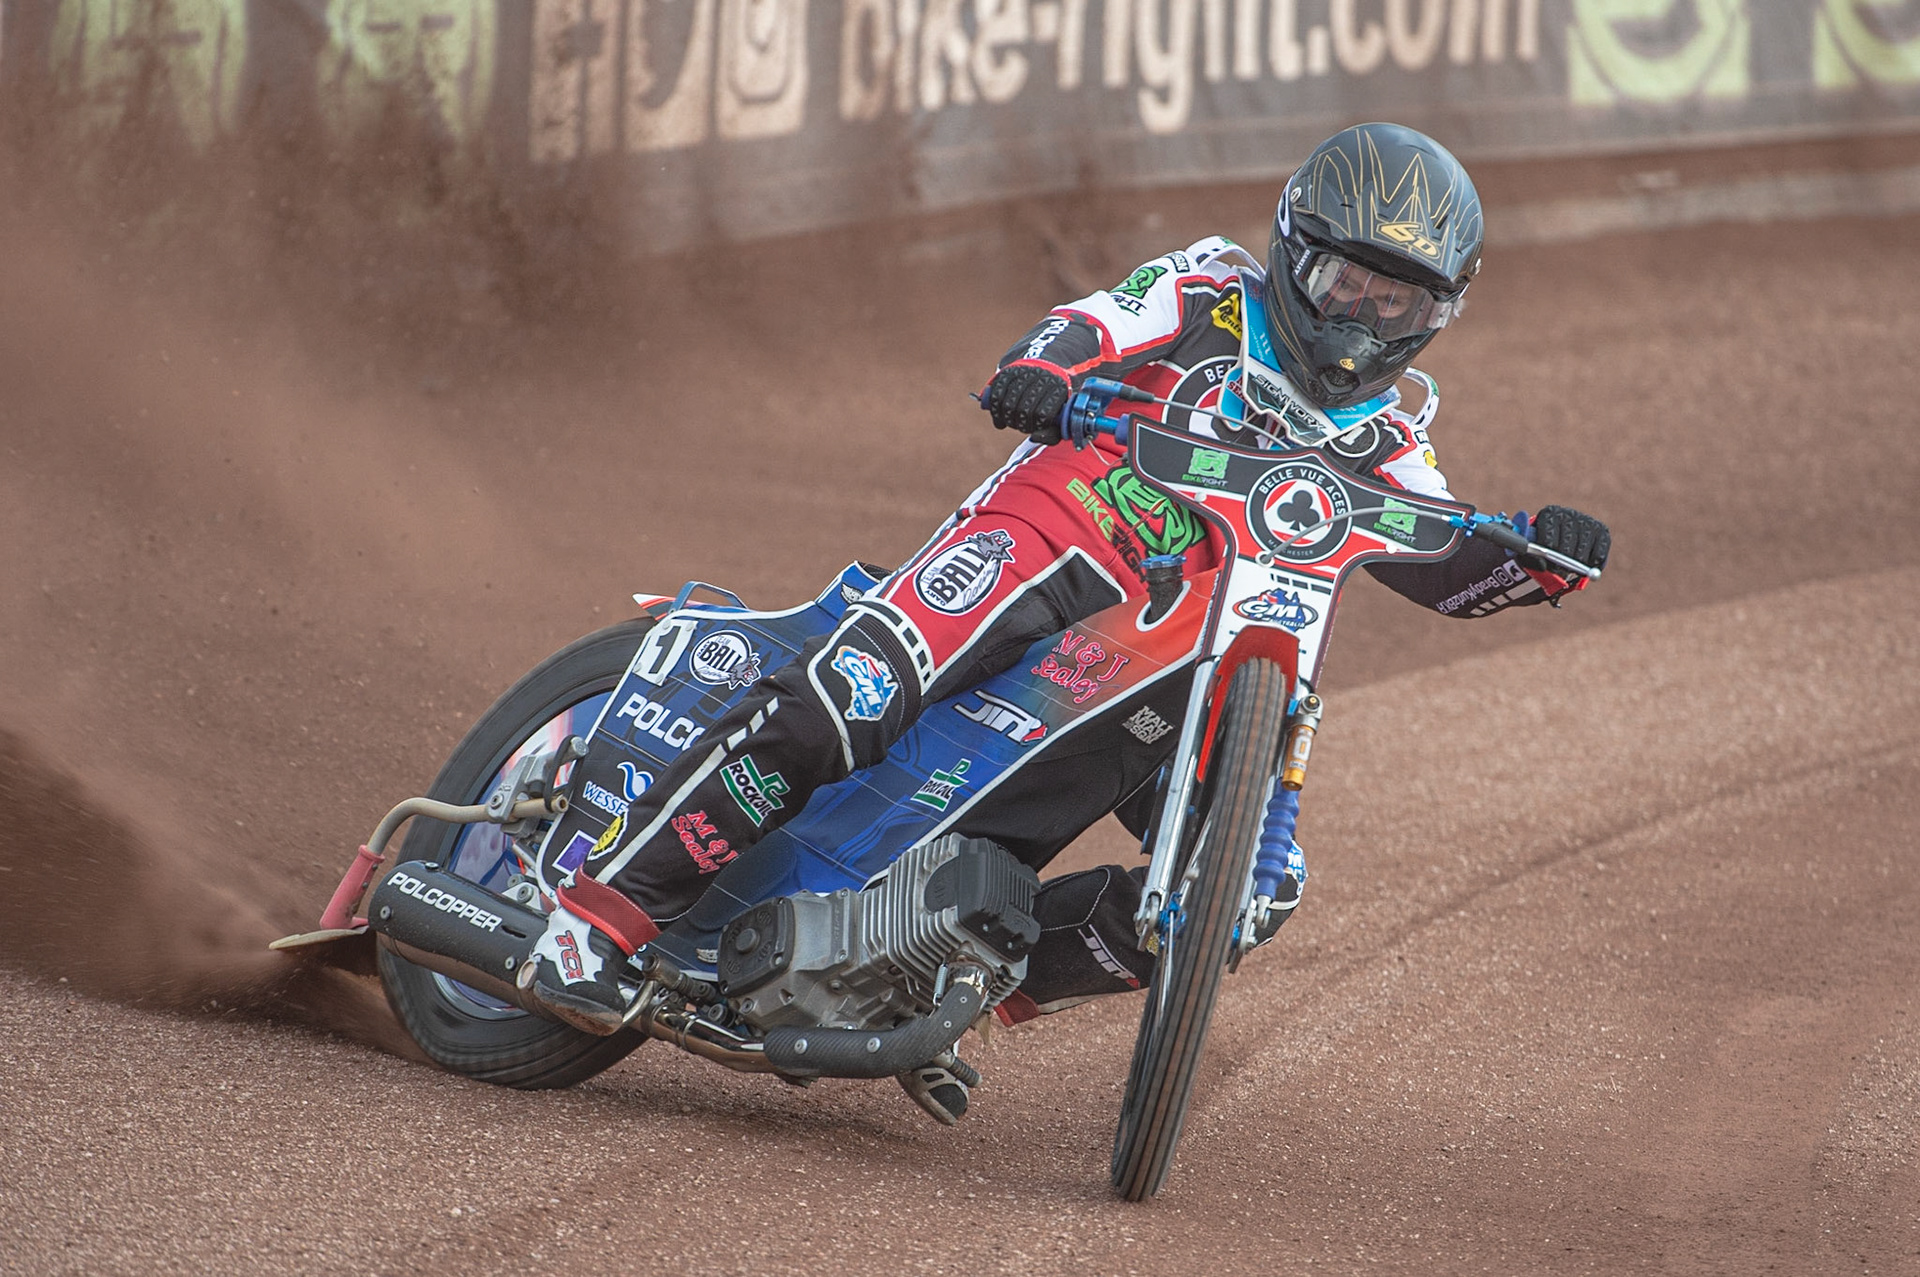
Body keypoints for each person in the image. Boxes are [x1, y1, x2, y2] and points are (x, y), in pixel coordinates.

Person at [521, 122, 1611, 1117]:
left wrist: (1540, 557)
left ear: (1439, 316)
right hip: (1054, 537)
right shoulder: (1209, 291)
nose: (1363, 320)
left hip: (1180, 651)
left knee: (1257, 887)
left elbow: (1441, 557)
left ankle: (926, 979)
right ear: (1292, 248)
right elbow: (1089, 325)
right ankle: (597, 915)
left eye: (1399, 304)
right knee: (854, 695)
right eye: (1347, 282)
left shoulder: (1390, 439)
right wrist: (1042, 373)